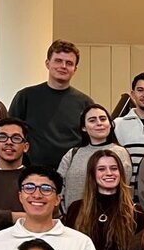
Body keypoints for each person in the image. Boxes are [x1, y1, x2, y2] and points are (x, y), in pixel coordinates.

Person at [8, 39, 92, 169]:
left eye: (69, 63)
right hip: (32, 172)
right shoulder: (25, 97)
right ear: (47, 64)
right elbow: (10, 132)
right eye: (58, 61)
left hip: (72, 172)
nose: (63, 66)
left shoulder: (85, 103)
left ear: (75, 69)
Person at [56, 103, 133, 207]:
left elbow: (124, 188)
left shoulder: (121, 153)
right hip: (72, 218)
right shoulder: (73, 154)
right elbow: (58, 186)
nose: (99, 123)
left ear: (110, 124)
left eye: (102, 119)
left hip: (109, 217)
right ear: (84, 127)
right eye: (92, 120)